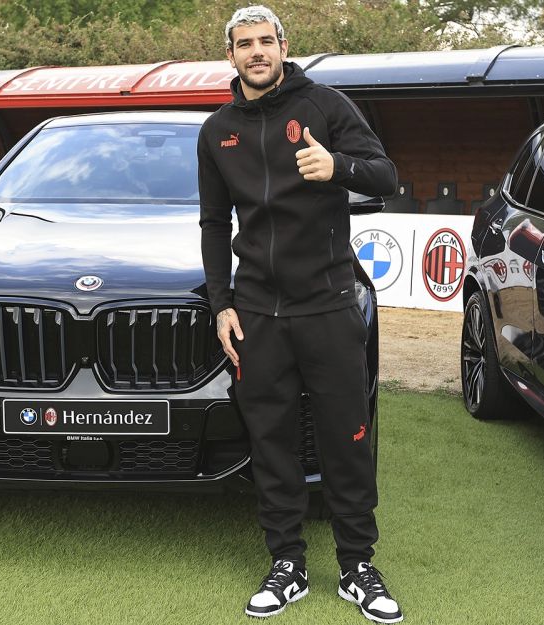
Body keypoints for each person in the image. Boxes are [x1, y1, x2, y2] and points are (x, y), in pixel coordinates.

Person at [197, 5, 402, 623]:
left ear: (284, 47)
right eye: (244, 44)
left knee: (346, 437)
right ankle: (286, 563)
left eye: (266, 41)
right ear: (231, 55)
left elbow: (386, 176)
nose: (256, 52)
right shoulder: (216, 131)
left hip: (328, 303)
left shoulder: (326, 107)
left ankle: (358, 566)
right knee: (272, 442)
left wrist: (337, 167)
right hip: (257, 312)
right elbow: (214, 225)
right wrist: (222, 304)